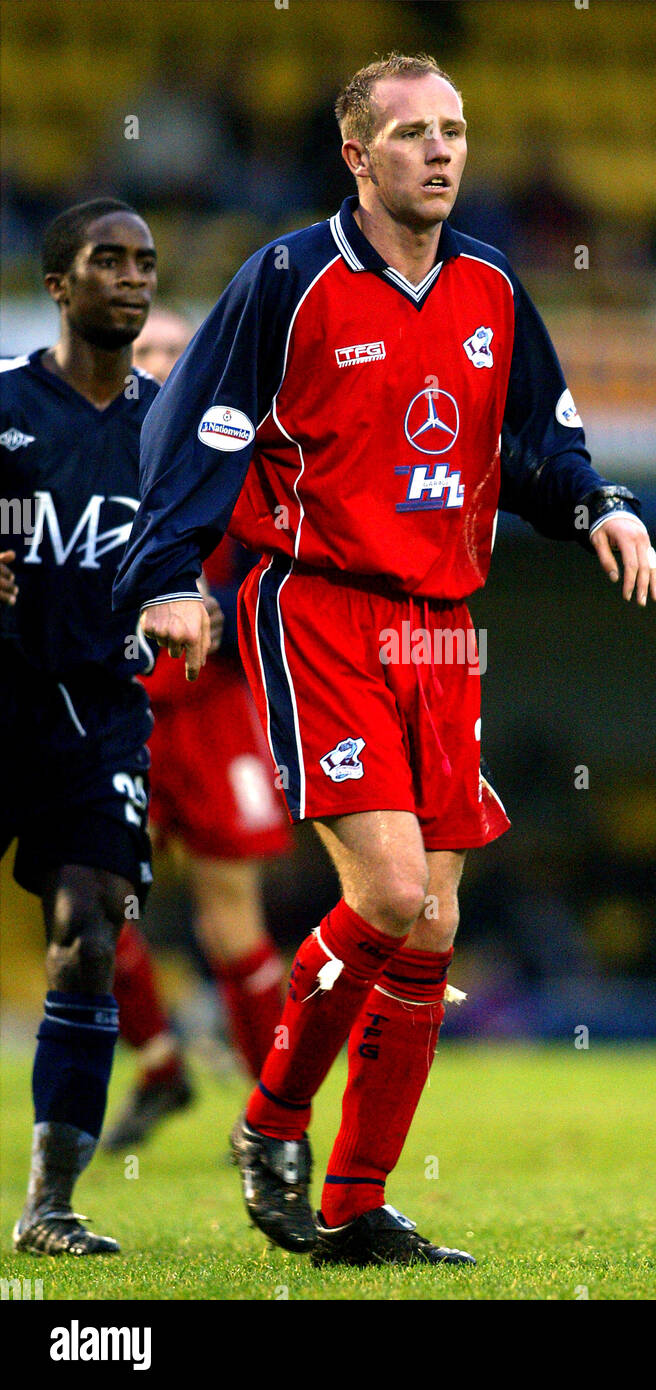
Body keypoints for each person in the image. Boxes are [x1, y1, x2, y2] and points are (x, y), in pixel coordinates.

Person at [114, 53, 656, 1268]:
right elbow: (194, 427)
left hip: (442, 623)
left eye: (455, 129)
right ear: (357, 156)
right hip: (317, 603)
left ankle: (355, 1204)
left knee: (432, 923)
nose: (441, 151)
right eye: (412, 133)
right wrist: (165, 573)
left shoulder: (491, 287)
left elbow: (532, 447)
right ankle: (269, 1126)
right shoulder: (286, 279)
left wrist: (598, 506)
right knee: (391, 892)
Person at [0, 198, 220, 1255]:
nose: (132, 278)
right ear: (57, 283)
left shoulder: (168, 433)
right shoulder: (3, 408)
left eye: (145, 262)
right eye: (107, 260)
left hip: (99, 718)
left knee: (89, 936)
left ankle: (48, 1203)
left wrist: (195, 598)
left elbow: (207, 554)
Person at [103, 310, 292, 1150]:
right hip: (116, 713)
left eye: (177, 352)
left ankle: (273, 1113)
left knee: (231, 920)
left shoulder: (241, 458)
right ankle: (159, 1064)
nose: (160, 364)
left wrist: (219, 608)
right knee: (94, 901)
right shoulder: (89, 455)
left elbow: (275, 573)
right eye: (146, 350)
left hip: (214, 715)